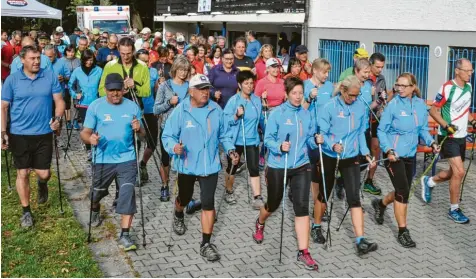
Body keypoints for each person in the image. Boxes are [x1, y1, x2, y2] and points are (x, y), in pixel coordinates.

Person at [161, 74, 239, 262]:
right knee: (184, 197)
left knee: (208, 203)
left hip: (209, 165)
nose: (206, 92)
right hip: (187, 165)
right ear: (191, 91)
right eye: (201, 89)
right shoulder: (181, 111)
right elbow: (167, 136)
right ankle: (178, 213)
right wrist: (174, 147)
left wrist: (230, 150)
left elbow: (225, 135)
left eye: (207, 89)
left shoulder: (216, 109)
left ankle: (205, 243)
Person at [252, 77, 321, 270]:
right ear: (287, 94)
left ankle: (304, 252)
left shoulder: (306, 114)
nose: (298, 97)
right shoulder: (277, 113)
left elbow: (308, 139)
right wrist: (279, 146)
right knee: (273, 203)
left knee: (301, 206)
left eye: (300, 93)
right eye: (294, 93)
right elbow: (268, 139)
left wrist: (316, 141)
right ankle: (260, 221)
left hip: (301, 165)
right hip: (278, 165)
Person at [1, 45, 65, 228]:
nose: (37, 61)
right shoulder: (12, 80)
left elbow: (59, 101)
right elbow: (3, 107)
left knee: (44, 173)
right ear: (22, 60)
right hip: (19, 133)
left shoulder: (49, 75)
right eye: (32, 58)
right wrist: (3, 133)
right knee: (23, 172)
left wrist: (58, 119)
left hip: (43, 132)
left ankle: (42, 183)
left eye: (38, 58)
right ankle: (26, 211)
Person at [80, 73, 145, 251]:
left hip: (127, 158)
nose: (115, 94)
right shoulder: (96, 106)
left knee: (127, 193)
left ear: (123, 89)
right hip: (103, 159)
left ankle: (125, 235)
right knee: (97, 192)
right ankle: (95, 209)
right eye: (111, 90)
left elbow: (143, 136)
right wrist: (90, 139)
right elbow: (84, 133)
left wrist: (139, 129)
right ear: (105, 90)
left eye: (118, 90)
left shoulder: (132, 107)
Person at [374, 73, 439, 247]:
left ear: (413, 87)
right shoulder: (393, 105)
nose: (399, 89)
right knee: (403, 191)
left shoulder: (419, 104)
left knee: (402, 190)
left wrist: (431, 142)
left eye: (404, 86)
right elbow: (381, 130)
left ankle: (380, 204)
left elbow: (423, 129)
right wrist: (388, 149)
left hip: (410, 155)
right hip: (393, 156)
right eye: (397, 85)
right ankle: (403, 231)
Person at [315, 75, 378, 255]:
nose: (354, 99)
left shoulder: (359, 106)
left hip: (351, 156)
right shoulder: (330, 107)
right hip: (330, 155)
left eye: (357, 95)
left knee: (354, 197)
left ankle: (361, 240)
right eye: (351, 95)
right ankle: (316, 225)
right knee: (324, 194)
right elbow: (323, 133)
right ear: (343, 91)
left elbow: (360, 132)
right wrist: (332, 145)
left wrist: (366, 152)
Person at [421, 58, 475, 224]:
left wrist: (472, 121)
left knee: (454, 173)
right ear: (457, 71)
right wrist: (446, 125)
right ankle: (454, 209)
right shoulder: (447, 87)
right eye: (467, 70)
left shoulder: (469, 87)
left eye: (472, 71)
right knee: (459, 172)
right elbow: (433, 110)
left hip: (461, 137)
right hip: (448, 136)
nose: (470, 74)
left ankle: (429, 181)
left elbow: (465, 111)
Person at [302, 58, 334, 241]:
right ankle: (317, 208)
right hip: (309, 138)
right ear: (314, 71)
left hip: (325, 137)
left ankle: (319, 208)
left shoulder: (329, 87)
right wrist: (309, 98)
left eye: (328, 72)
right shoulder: (306, 86)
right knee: (313, 173)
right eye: (324, 72)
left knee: (321, 174)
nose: (326, 75)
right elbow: (301, 110)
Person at [223, 70, 263, 208]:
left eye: (252, 83)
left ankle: (257, 197)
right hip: (236, 140)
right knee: (232, 167)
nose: (250, 86)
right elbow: (225, 121)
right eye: (246, 83)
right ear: (239, 85)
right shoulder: (234, 101)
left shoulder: (256, 100)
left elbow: (261, 119)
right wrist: (236, 116)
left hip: (252, 140)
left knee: (254, 168)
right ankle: (229, 190)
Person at [154, 56, 191, 202]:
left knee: (184, 158)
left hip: (185, 129)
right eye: (181, 69)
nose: (183, 73)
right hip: (167, 129)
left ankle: (183, 188)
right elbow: (156, 109)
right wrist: (169, 102)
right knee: (165, 160)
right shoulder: (165, 86)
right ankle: (164, 185)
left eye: (186, 70)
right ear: (175, 69)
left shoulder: (190, 87)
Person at [353, 58, 385, 196]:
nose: (367, 75)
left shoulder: (368, 86)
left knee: (363, 160)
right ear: (356, 71)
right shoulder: (350, 84)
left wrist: (378, 100)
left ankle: (345, 181)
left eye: (367, 72)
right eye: (364, 72)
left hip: (364, 127)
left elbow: (368, 108)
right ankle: (350, 187)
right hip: (353, 127)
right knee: (353, 160)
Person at [69, 49, 103, 160]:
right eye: (86, 60)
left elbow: (103, 85)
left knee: (97, 127)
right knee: (87, 127)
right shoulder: (77, 71)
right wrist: (75, 94)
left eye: (91, 59)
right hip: (83, 104)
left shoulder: (99, 70)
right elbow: (70, 85)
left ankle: (97, 148)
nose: (89, 62)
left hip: (97, 103)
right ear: (82, 60)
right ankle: (89, 149)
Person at [363, 53, 388, 195]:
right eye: (377, 66)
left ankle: (369, 181)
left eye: (382, 67)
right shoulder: (364, 78)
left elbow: (383, 96)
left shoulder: (381, 79)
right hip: (363, 118)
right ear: (370, 64)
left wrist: (383, 100)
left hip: (376, 117)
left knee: (376, 148)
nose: (379, 70)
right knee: (361, 152)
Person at [254, 58, 286, 169]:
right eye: (273, 66)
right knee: (270, 134)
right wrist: (262, 99)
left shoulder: (282, 82)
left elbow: (284, 98)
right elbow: (255, 100)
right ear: (267, 69)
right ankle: (262, 155)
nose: (276, 69)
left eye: (277, 66)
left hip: (280, 110)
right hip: (266, 111)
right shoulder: (261, 82)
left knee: (279, 134)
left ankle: (276, 156)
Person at [99, 37, 150, 102]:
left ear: (133, 50)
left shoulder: (143, 66)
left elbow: (147, 92)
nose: (125, 57)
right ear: (118, 50)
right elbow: (101, 91)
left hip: (136, 108)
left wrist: (135, 87)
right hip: (115, 108)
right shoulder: (109, 66)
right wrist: (118, 91)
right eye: (122, 54)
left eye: (129, 53)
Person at [135, 49, 159, 184]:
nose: (145, 63)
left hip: (151, 110)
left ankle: (143, 163)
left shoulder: (153, 72)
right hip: (136, 111)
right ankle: (134, 172)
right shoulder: (133, 72)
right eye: (142, 61)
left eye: (147, 60)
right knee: (137, 142)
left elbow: (156, 90)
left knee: (153, 142)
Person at [44, 44, 71, 124]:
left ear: (55, 54)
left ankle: (56, 133)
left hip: (58, 95)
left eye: (50, 57)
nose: (48, 59)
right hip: (45, 96)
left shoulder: (62, 62)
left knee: (57, 119)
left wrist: (63, 78)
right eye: (46, 57)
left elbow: (69, 77)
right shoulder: (41, 63)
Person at [61, 44, 81, 130]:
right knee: (67, 103)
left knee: (76, 103)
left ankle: (75, 120)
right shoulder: (61, 60)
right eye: (69, 51)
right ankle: (68, 121)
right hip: (65, 83)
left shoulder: (78, 60)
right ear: (66, 51)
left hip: (76, 84)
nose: (71, 53)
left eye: (73, 52)